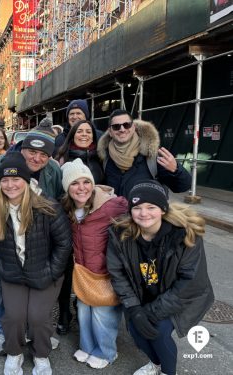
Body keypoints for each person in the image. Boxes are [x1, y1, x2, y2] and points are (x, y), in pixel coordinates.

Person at [0, 117, 63, 355]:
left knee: (28, 287)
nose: (36, 158)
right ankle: (0, 331)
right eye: (31, 151)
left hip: (32, 244)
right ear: (22, 147)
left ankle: (31, 330)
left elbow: (57, 203)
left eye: (43, 154)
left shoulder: (52, 171)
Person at [107, 180, 214, 375]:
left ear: (163, 209)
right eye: (137, 207)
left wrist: (152, 312)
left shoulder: (184, 236)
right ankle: (155, 364)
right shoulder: (120, 235)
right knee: (136, 329)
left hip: (179, 298)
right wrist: (134, 308)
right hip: (144, 295)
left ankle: (167, 371)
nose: (143, 213)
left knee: (158, 332)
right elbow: (118, 274)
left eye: (151, 207)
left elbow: (190, 283)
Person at [0, 152, 71, 375]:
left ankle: (41, 355)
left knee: (38, 317)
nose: (10, 185)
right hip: (12, 272)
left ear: (26, 181)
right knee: (14, 316)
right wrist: (1, 268)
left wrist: (52, 272)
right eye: (5, 180)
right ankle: (15, 353)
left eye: (16, 179)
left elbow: (64, 244)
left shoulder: (47, 206)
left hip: (45, 272)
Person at [61, 158, 127, 369]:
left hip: (105, 272)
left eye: (86, 182)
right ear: (67, 188)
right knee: (83, 310)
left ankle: (107, 352)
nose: (81, 188)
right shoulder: (68, 209)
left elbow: (137, 215)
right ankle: (87, 346)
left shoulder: (111, 206)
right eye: (74, 183)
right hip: (82, 271)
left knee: (103, 313)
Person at [97, 109, 191, 198]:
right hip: (118, 214)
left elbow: (182, 187)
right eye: (116, 126)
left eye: (126, 125)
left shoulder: (153, 155)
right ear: (110, 132)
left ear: (133, 127)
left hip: (145, 214)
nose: (122, 129)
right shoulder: (105, 158)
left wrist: (176, 171)